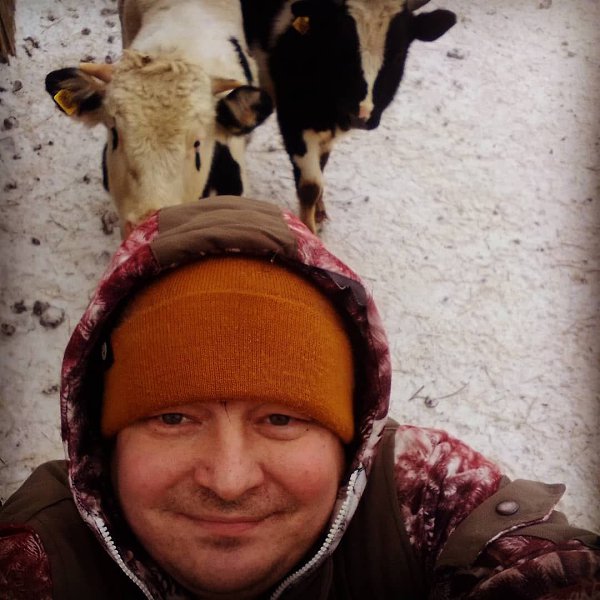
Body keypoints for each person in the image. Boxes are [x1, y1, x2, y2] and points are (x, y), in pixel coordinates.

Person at [0, 197, 598, 600]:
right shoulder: (36, 554)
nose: (229, 481)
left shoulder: (426, 500)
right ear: (104, 439)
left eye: (281, 418)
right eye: (173, 417)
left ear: (350, 438)